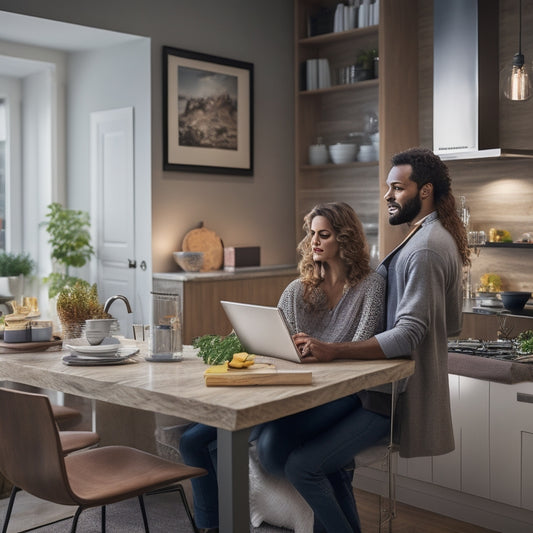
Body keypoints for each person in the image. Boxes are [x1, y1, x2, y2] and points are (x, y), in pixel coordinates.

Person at [179, 202, 387, 533]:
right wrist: (223, 345)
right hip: (288, 384)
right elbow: (263, 334)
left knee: (276, 449)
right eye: (311, 234)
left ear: (344, 239)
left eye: (324, 235)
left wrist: (324, 351)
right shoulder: (298, 289)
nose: (315, 241)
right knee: (192, 439)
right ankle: (210, 527)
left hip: (341, 394)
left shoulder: (370, 286)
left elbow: (362, 347)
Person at [296, 148, 470, 474]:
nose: (388, 195)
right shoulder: (426, 237)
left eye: (398, 188)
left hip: (395, 394)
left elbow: (409, 333)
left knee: (302, 462)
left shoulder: (427, 248)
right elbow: (449, 325)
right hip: (386, 389)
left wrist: (333, 350)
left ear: (426, 190)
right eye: (388, 187)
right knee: (318, 463)